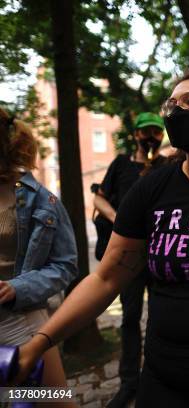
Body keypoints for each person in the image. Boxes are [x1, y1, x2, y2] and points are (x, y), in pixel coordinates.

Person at [13, 69, 189, 407]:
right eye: (171, 104)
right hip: (169, 381)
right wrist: (41, 341)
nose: (177, 111)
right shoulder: (152, 189)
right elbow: (106, 278)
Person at [0, 107, 78, 408]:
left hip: (19, 325)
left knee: (50, 403)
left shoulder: (38, 198)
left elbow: (66, 264)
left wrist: (17, 288)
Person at [93, 112, 167, 408]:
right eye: (145, 132)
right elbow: (98, 198)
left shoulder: (168, 165)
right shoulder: (121, 164)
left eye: (156, 132)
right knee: (130, 319)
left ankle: (158, 379)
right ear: (136, 135)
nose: (150, 138)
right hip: (129, 257)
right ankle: (128, 384)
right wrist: (120, 220)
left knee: (162, 317)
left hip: (162, 253)